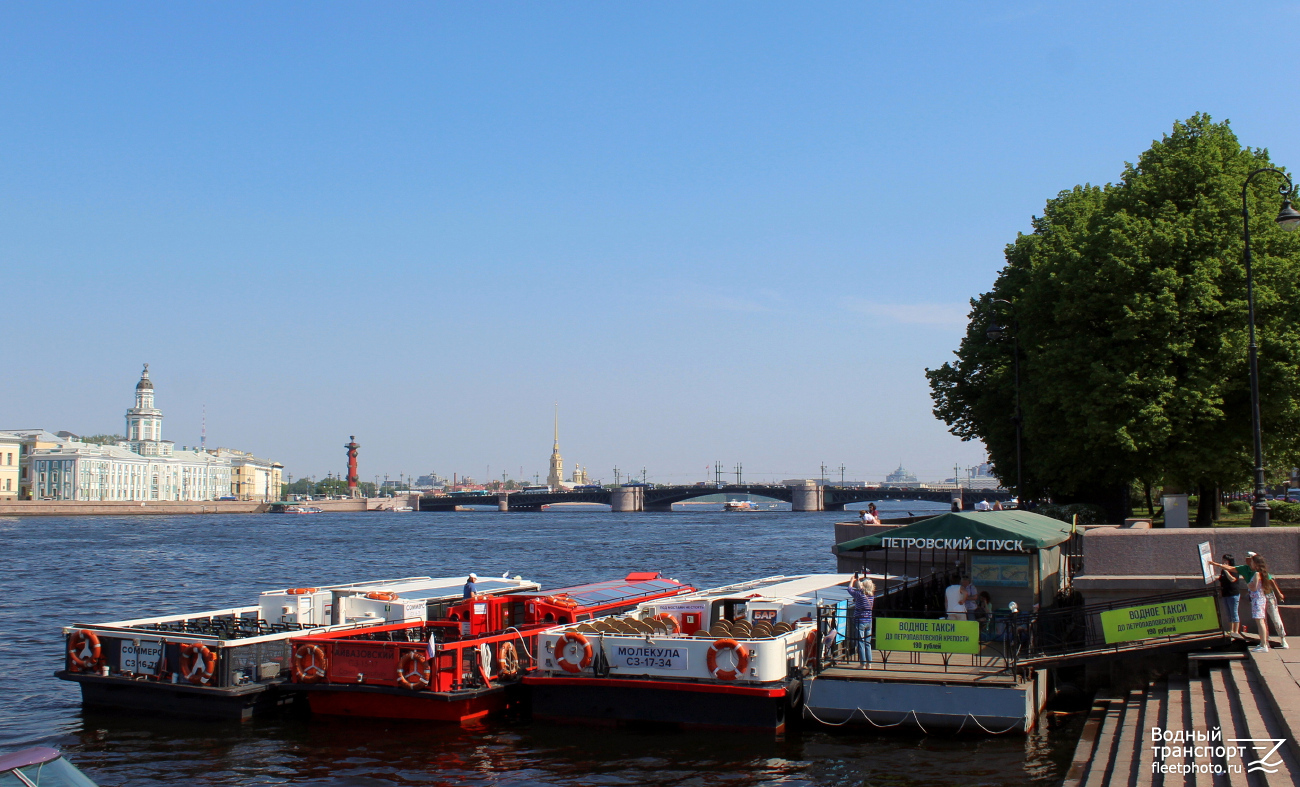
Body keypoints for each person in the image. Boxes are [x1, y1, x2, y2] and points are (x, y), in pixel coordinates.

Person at [1255, 553, 1289, 648]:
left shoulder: (1264, 573)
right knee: (1262, 619)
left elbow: (1272, 582)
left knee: (1275, 618)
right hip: (1259, 597)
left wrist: (1279, 594)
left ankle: (1283, 638)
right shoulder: (1253, 572)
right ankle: (1265, 640)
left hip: (1269, 596)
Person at [846, 573, 875, 666]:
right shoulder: (872, 596)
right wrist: (859, 583)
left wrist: (852, 581)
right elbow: (862, 590)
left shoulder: (860, 595)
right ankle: (869, 663)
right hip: (869, 621)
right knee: (868, 643)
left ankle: (862, 663)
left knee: (860, 643)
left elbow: (849, 589)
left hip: (860, 621)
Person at [1217, 554, 1243, 639]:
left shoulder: (1234, 569)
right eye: (1223, 560)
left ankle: (1236, 631)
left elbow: (1232, 579)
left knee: (1234, 612)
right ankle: (1231, 630)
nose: (1223, 562)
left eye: (1225, 561)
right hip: (1225, 594)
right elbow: (1221, 580)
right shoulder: (1223, 571)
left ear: (1229, 561)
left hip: (1233, 594)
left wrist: (1226, 570)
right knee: (1228, 613)